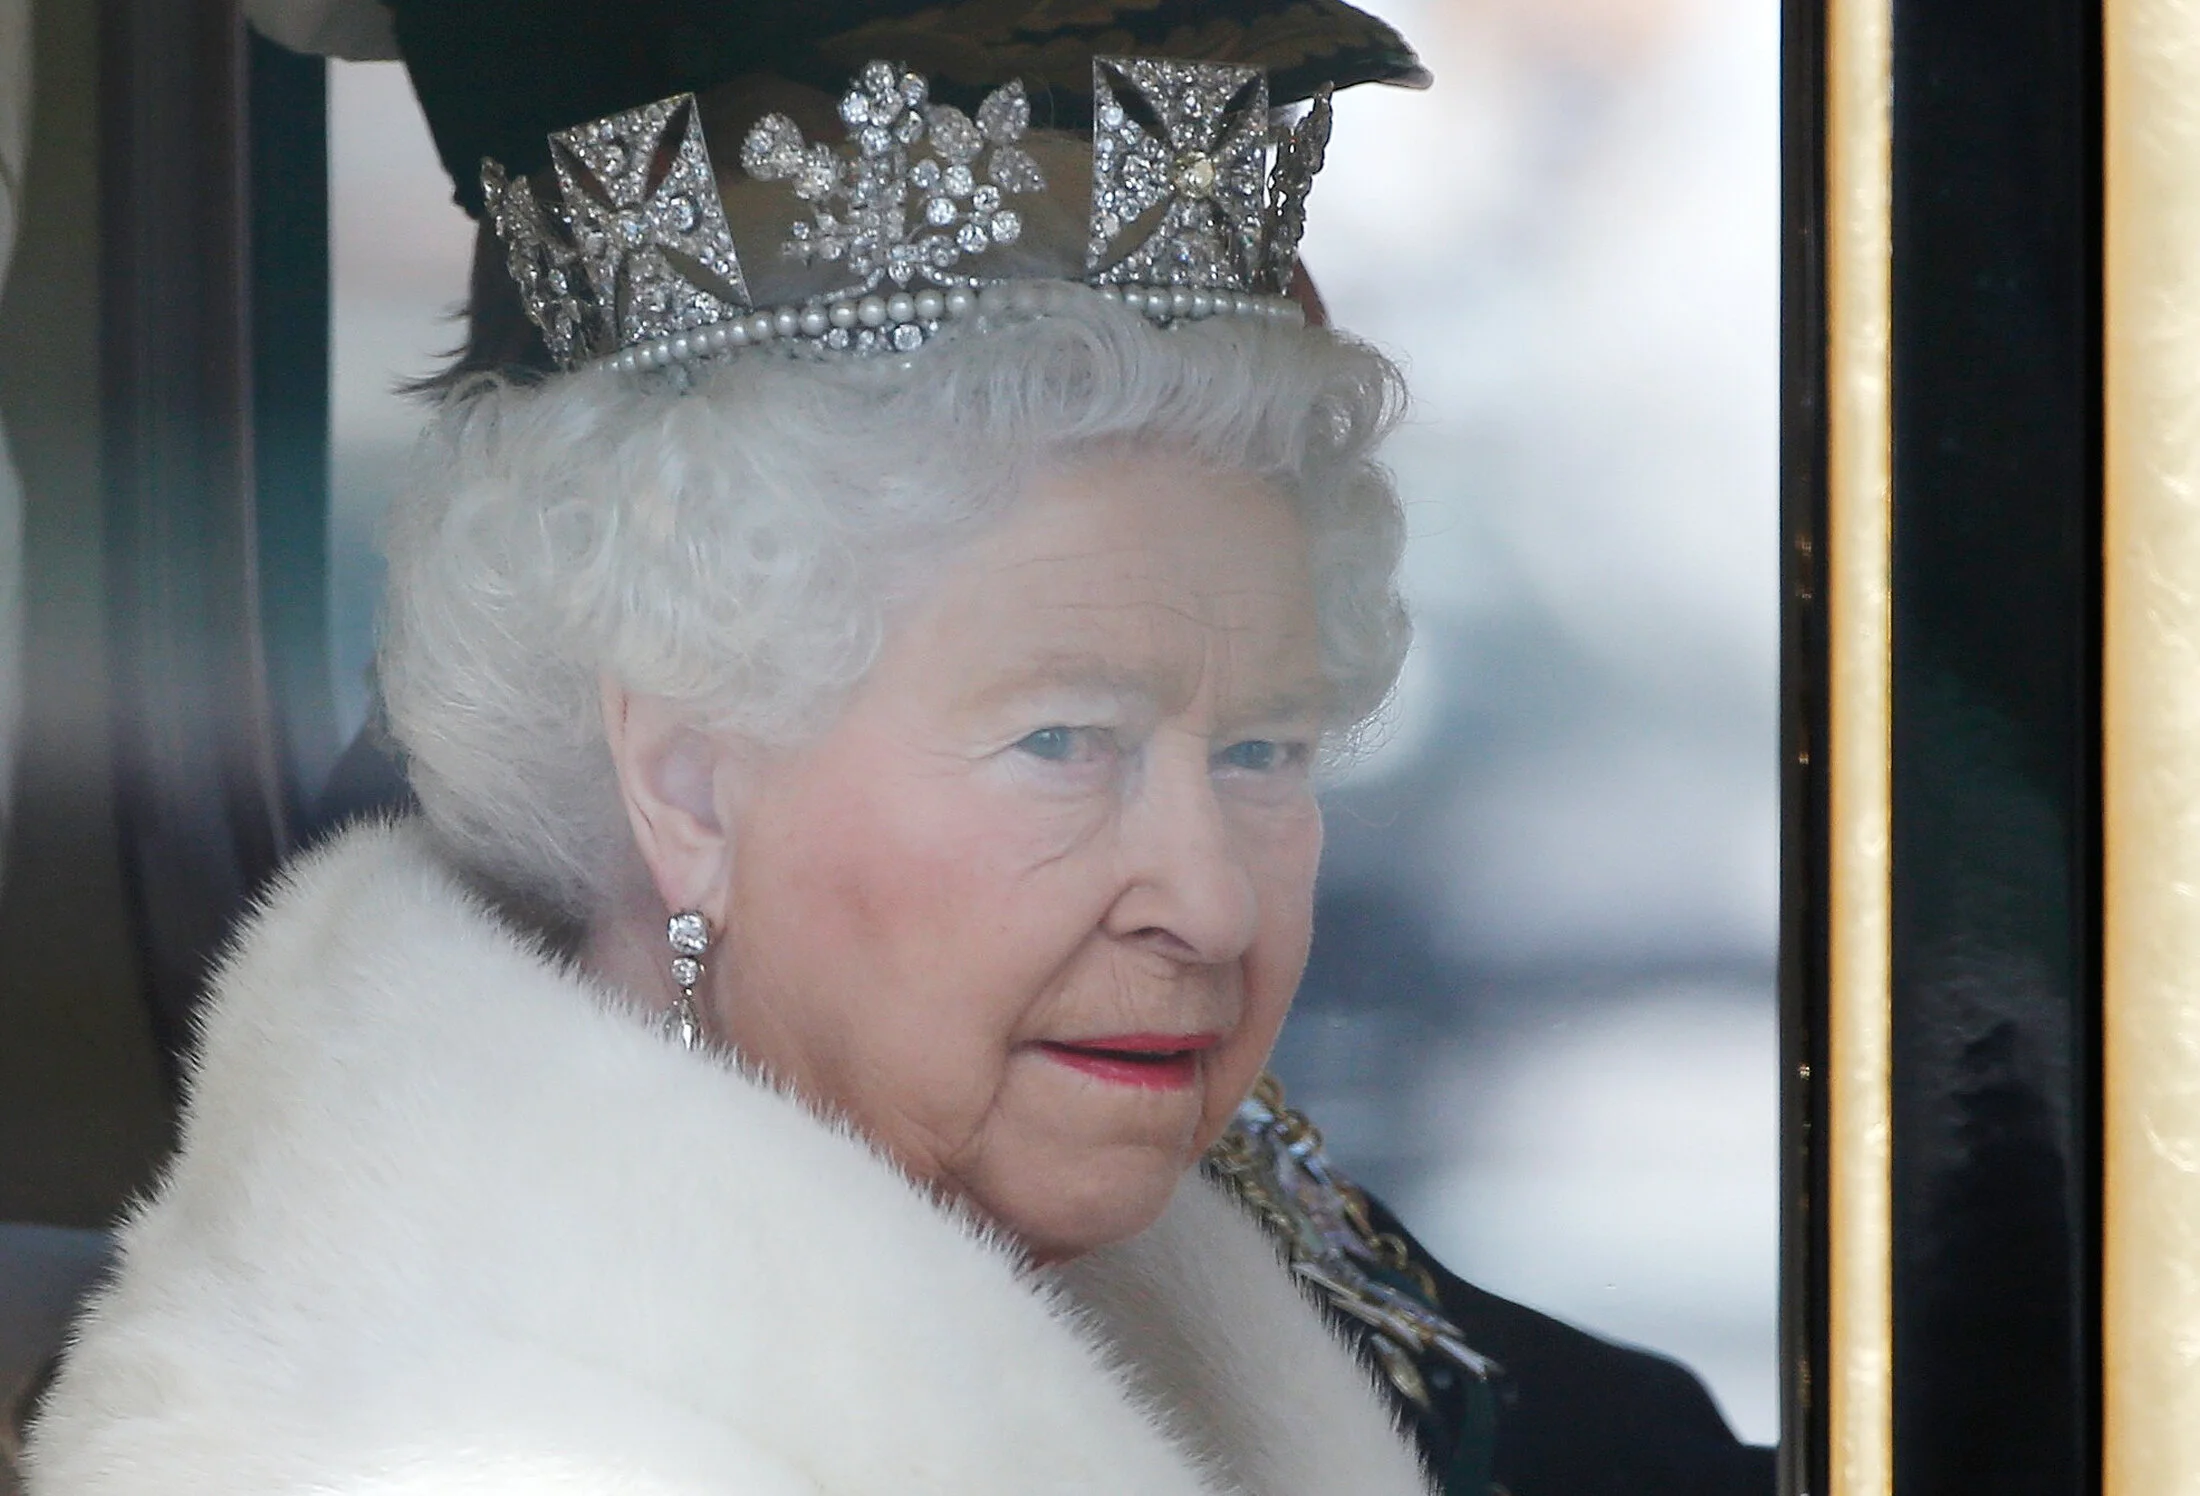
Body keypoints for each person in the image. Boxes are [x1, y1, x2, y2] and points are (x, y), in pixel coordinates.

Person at [20, 5, 1771, 1493]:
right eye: (1066, 740)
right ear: (687, 781)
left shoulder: (1362, 1352)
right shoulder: (435, 1444)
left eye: (1266, 750)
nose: (1211, 903)